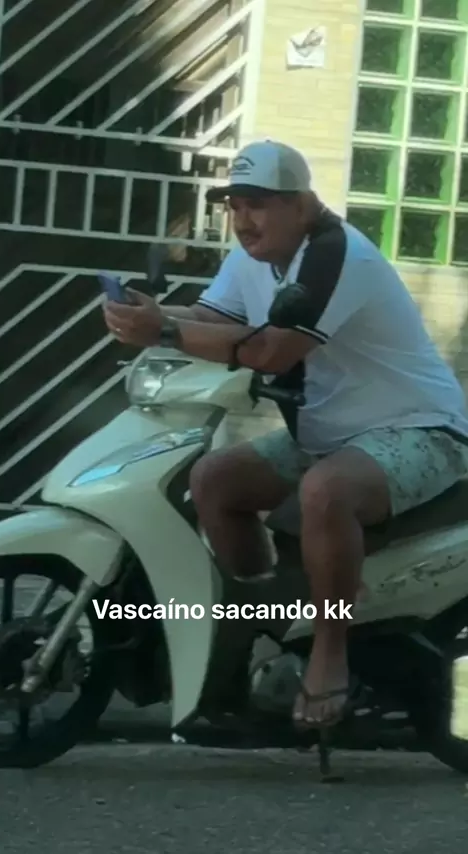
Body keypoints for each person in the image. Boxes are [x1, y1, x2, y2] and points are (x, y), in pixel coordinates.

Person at [103, 139, 468, 733]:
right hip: (330, 434)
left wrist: (164, 331)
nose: (244, 219)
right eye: (235, 205)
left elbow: (273, 352)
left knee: (325, 492)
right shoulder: (255, 254)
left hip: (420, 429)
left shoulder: (335, 255)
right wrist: (151, 315)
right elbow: (217, 320)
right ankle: (263, 626)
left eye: (258, 204)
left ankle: (329, 651)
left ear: (300, 204)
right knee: (214, 479)